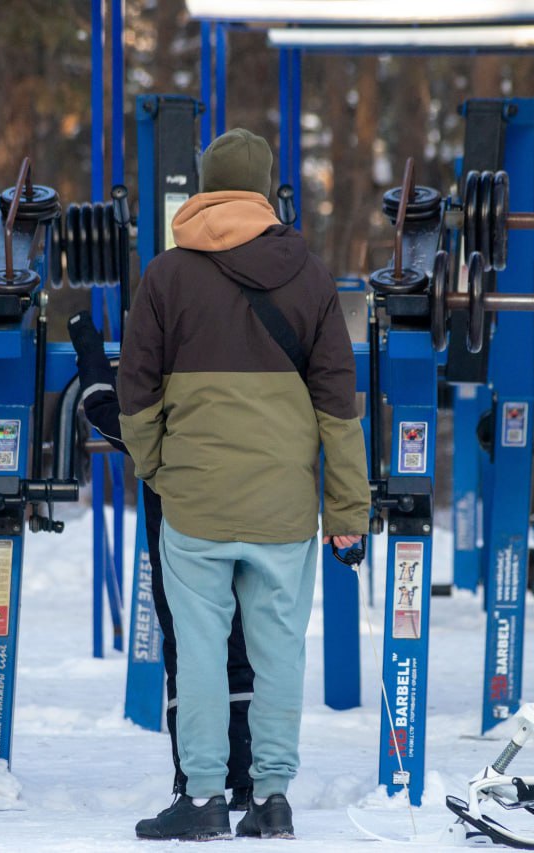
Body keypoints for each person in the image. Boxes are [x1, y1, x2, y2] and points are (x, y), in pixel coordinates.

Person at [118, 128, 370, 841]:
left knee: (199, 651)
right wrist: (348, 507)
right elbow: (338, 410)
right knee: (278, 653)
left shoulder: (167, 274)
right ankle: (272, 798)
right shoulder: (312, 276)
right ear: (263, 189)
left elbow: (133, 391)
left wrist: (156, 466)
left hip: (194, 500)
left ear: (204, 185)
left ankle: (201, 798)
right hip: (283, 506)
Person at [67, 310, 255, 810]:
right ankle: (249, 778)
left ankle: (195, 782)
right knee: (243, 651)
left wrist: (86, 341)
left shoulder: (153, 419)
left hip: (179, 553)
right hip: (244, 540)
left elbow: (100, 406)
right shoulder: (238, 407)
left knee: (189, 659)